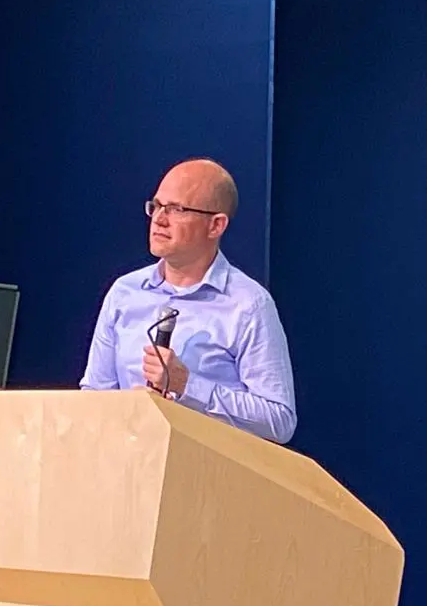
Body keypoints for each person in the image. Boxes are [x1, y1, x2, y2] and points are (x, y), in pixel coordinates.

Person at [79, 158, 297, 444]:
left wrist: (188, 385)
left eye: (177, 209)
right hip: (129, 467)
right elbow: (94, 394)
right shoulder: (125, 292)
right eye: (156, 206)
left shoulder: (248, 304)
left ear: (215, 225)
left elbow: (278, 420)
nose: (159, 219)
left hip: (209, 476)